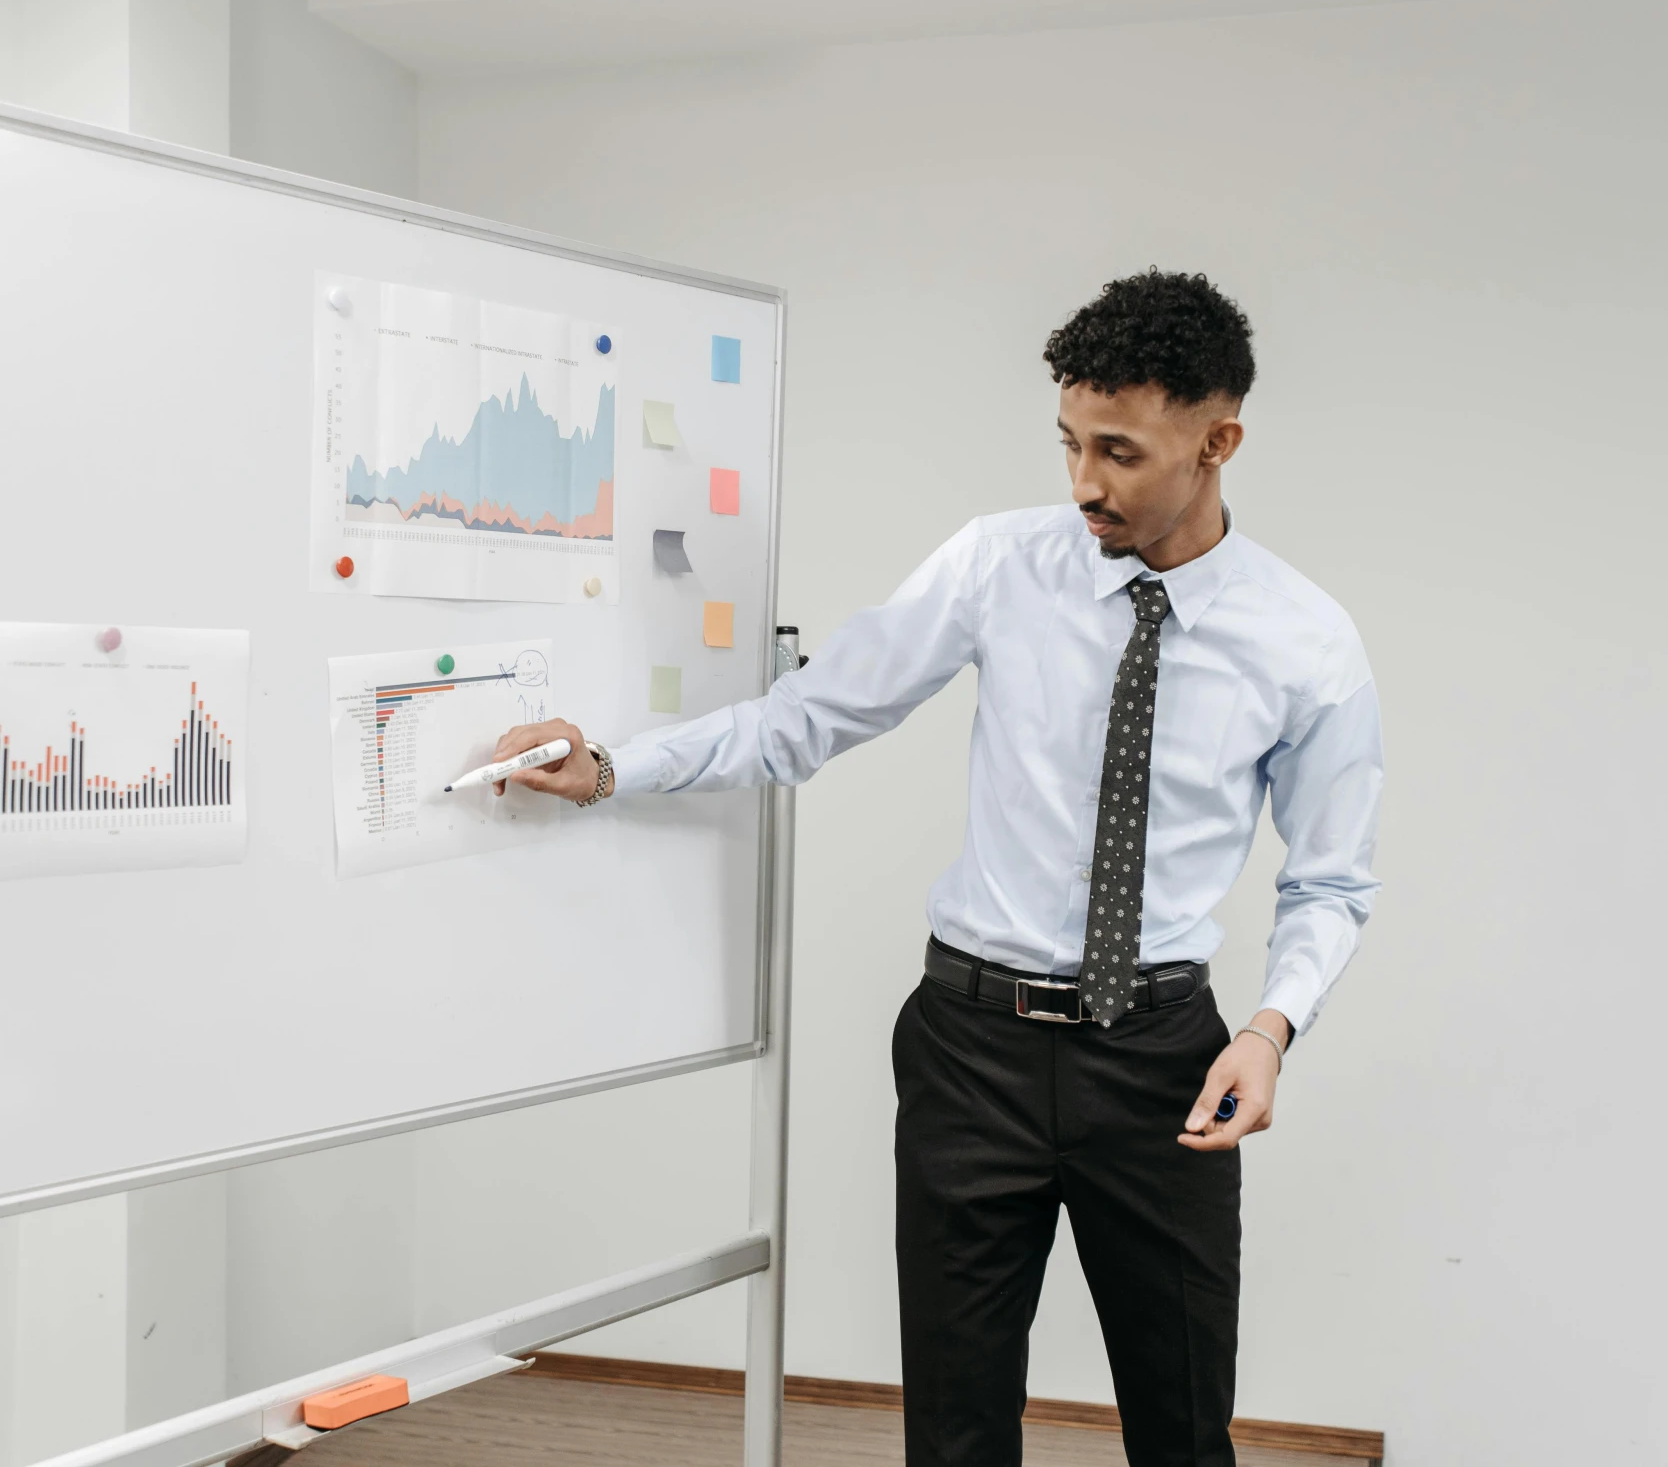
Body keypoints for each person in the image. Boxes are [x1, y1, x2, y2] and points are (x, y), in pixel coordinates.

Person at [491, 268, 1383, 1467]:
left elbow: (1330, 878)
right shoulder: (997, 565)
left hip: (1163, 1062)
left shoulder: (1306, 637)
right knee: (955, 1436)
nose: (1083, 483)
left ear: (1218, 440)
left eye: (1118, 451)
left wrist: (1270, 1031)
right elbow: (808, 715)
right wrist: (609, 766)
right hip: (974, 1054)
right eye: (1068, 442)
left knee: (1183, 1433)